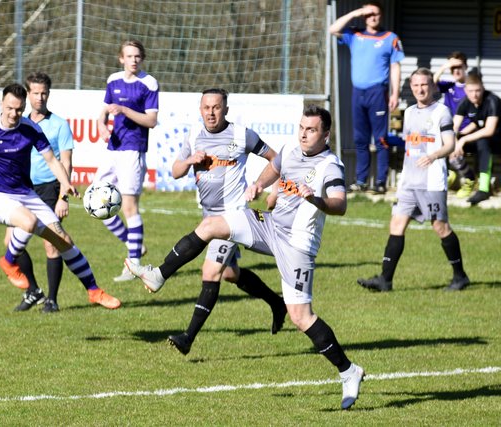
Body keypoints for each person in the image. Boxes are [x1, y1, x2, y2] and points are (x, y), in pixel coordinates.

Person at [126, 105, 365, 410]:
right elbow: (276, 166)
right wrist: (260, 184)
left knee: (300, 317)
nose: (304, 134)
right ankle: (158, 274)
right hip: (270, 226)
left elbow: (340, 204)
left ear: (326, 134)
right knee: (211, 224)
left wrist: (314, 198)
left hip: (297, 245)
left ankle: (348, 371)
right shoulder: (292, 147)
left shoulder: (330, 166)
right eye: (302, 127)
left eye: (312, 130)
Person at [0, 83, 121, 310]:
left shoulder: (30, 128)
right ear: (1, 105)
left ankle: (94, 291)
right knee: (30, 221)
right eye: (10, 108)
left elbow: (52, 160)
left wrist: (65, 184)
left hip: (26, 193)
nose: (14, 114)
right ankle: (8, 261)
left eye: (19, 109)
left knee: (64, 241)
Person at [162, 88, 286, 355]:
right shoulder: (194, 137)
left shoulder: (242, 135)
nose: (211, 112)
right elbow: (174, 171)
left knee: (210, 273)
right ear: (200, 109)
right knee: (230, 273)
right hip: (210, 216)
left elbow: (276, 159)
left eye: (216, 107)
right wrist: (190, 161)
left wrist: (270, 187)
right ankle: (277, 303)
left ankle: (187, 338)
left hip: (233, 215)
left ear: (226, 109)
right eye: (206, 107)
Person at [1, 72, 118, 312]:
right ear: (27, 95)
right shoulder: (19, 123)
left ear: (48, 94)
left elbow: (65, 161)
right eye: (35, 93)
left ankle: (52, 299)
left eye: (44, 93)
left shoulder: (58, 125)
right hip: (21, 188)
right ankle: (33, 290)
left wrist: (63, 196)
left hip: (49, 187)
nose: (40, 98)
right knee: (10, 241)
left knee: (52, 243)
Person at [357, 68, 470, 292]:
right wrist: (392, 142)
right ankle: (385, 280)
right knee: (397, 224)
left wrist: (434, 155)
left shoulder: (442, 112)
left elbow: (450, 144)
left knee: (440, 226)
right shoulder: (408, 112)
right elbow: (411, 144)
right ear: (411, 87)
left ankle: (460, 276)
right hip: (409, 181)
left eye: (424, 85)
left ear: (433, 87)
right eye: (416, 85)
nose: (420, 89)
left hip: (432, 182)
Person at [96, 40, 159, 282]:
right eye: (129, 56)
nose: (133, 60)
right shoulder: (113, 80)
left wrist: (124, 110)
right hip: (113, 149)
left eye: (137, 56)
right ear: (121, 58)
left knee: (129, 207)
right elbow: (102, 114)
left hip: (134, 151)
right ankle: (134, 245)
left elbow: (151, 121)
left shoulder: (149, 83)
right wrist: (102, 127)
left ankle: (134, 266)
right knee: (96, 201)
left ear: (141, 58)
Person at [329, 1, 404, 194]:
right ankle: (361, 181)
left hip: (378, 92)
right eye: (369, 14)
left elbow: (396, 66)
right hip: (358, 93)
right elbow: (332, 29)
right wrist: (356, 12)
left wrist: (395, 93)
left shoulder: (390, 38)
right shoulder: (355, 34)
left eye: (376, 14)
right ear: (364, 16)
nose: (373, 17)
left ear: (382, 16)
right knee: (360, 139)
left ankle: (380, 182)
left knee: (381, 140)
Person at [451, 74, 501, 205]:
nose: (475, 94)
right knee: (450, 142)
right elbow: (454, 126)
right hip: (482, 139)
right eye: (471, 91)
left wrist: (463, 139)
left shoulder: (492, 100)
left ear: (483, 88)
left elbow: (489, 130)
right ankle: (466, 177)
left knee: (482, 141)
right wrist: (456, 139)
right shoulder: (465, 102)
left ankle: (484, 190)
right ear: (466, 90)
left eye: (478, 90)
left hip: (497, 140)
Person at [433, 51, 476, 197]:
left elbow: (476, 121)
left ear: (465, 67)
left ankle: (469, 178)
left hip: (466, 133)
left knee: (452, 149)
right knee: (430, 143)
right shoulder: (449, 86)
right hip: (449, 131)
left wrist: (459, 136)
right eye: (453, 68)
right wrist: (445, 66)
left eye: (459, 66)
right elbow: (431, 84)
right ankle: (447, 174)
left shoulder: (471, 89)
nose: (456, 71)